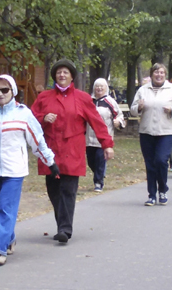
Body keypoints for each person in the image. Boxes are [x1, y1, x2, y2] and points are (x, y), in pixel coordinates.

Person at [0, 74, 58, 265]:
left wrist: (50, 162)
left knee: (5, 208)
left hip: (15, 171)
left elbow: (37, 140)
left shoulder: (23, 113)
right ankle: (9, 238)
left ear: (13, 92)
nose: (0, 94)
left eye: (5, 90)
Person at [31, 59, 114, 243]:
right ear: (54, 76)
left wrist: (106, 144)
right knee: (54, 191)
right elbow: (30, 119)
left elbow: (97, 122)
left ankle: (65, 230)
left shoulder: (82, 97)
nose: (62, 75)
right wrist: (44, 118)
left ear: (71, 77)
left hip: (72, 151)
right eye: (59, 72)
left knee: (68, 190)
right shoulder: (44, 97)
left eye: (65, 72)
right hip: (50, 151)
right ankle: (62, 224)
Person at [130, 64, 172, 205]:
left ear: (165, 75)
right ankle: (152, 195)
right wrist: (139, 107)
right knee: (150, 164)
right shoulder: (143, 90)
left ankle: (163, 189)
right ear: (152, 74)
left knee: (161, 161)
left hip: (165, 131)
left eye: (161, 72)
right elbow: (133, 110)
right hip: (146, 131)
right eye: (156, 72)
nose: (159, 75)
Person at [86, 78, 124, 192]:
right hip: (89, 137)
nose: (99, 88)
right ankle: (100, 173)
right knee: (91, 161)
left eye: (102, 86)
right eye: (97, 86)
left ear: (106, 88)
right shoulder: (89, 101)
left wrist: (118, 122)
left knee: (100, 159)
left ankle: (98, 182)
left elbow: (119, 115)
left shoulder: (110, 102)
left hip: (103, 138)